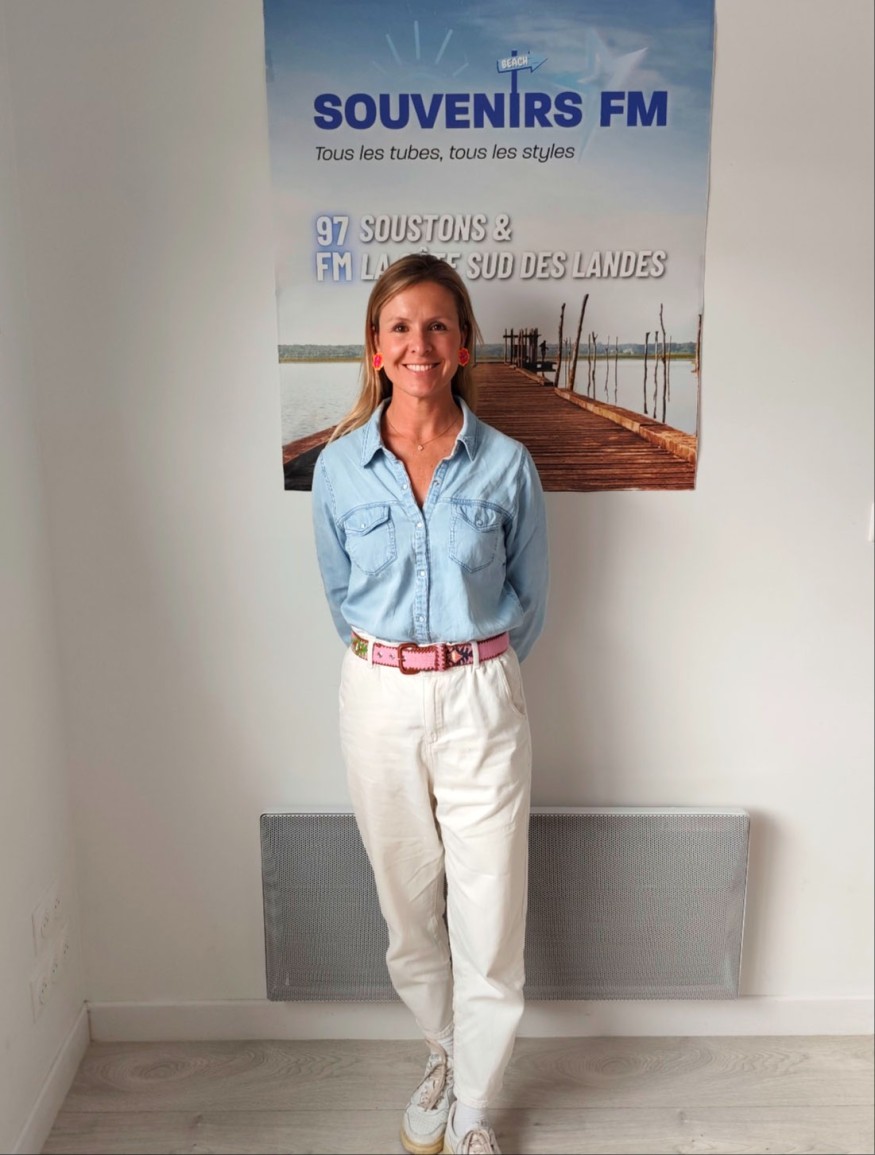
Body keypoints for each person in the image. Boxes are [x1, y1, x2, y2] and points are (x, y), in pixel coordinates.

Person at [312, 254, 548, 1155]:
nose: (420, 342)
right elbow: (339, 594)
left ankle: (476, 1108)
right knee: (407, 906)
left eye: (437, 325)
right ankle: (445, 1051)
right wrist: (403, 668)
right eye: (401, 326)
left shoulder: (507, 464)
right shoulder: (339, 468)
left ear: (463, 344)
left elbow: (531, 600)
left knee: (489, 915)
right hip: (376, 697)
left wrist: (468, 669)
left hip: (482, 694)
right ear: (376, 346)